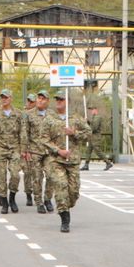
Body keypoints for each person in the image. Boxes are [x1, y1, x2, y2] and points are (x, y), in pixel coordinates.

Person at [47, 93, 83, 232]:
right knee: (61, 188)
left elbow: (88, 133)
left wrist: (74, 133)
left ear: (67, 102)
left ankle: (67, 205)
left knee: (73, 192)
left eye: (61, 99)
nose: (59, 102)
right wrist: (58, 150)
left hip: (72, 161)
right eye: (57, 99)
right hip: (57, 161)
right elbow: (43, 139)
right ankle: (64, 219)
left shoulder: (75, 118)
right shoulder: (50, 119)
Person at [0, 90, 27, 214]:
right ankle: (4, 202)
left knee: (15, 175)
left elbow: (23, 132)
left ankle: (12, 198)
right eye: (2, 97)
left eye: (6, 97)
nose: (4, 99)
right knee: (1, 177)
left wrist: (23, 149)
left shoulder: (19, 114)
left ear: (11, 98)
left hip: (15, 148)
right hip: (0, 148)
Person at [26, 92, 53, 206]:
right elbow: (24, 133)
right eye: (39, 98)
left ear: (47, 101)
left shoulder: (52, 115)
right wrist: (26, 150)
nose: (40, 100)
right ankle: (38, 201)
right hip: (34, 151)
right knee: (37, 177)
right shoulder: (29, 114)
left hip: (49, 151)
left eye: (43, 99)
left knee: (51, 175)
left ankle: (47, 199)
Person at [82, 102, 114, 171]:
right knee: (88, 151)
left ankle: (108, 162)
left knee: (98, 151)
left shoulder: (98, 117)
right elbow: (92, 125)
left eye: (92, 109)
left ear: (96, 110)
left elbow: (94, 128)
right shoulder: (94, 117)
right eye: (90, 110)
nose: (91, 111)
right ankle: (86, 165)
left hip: (95, 137)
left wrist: (87, 125)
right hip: (91, 137)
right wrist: (87, 122)